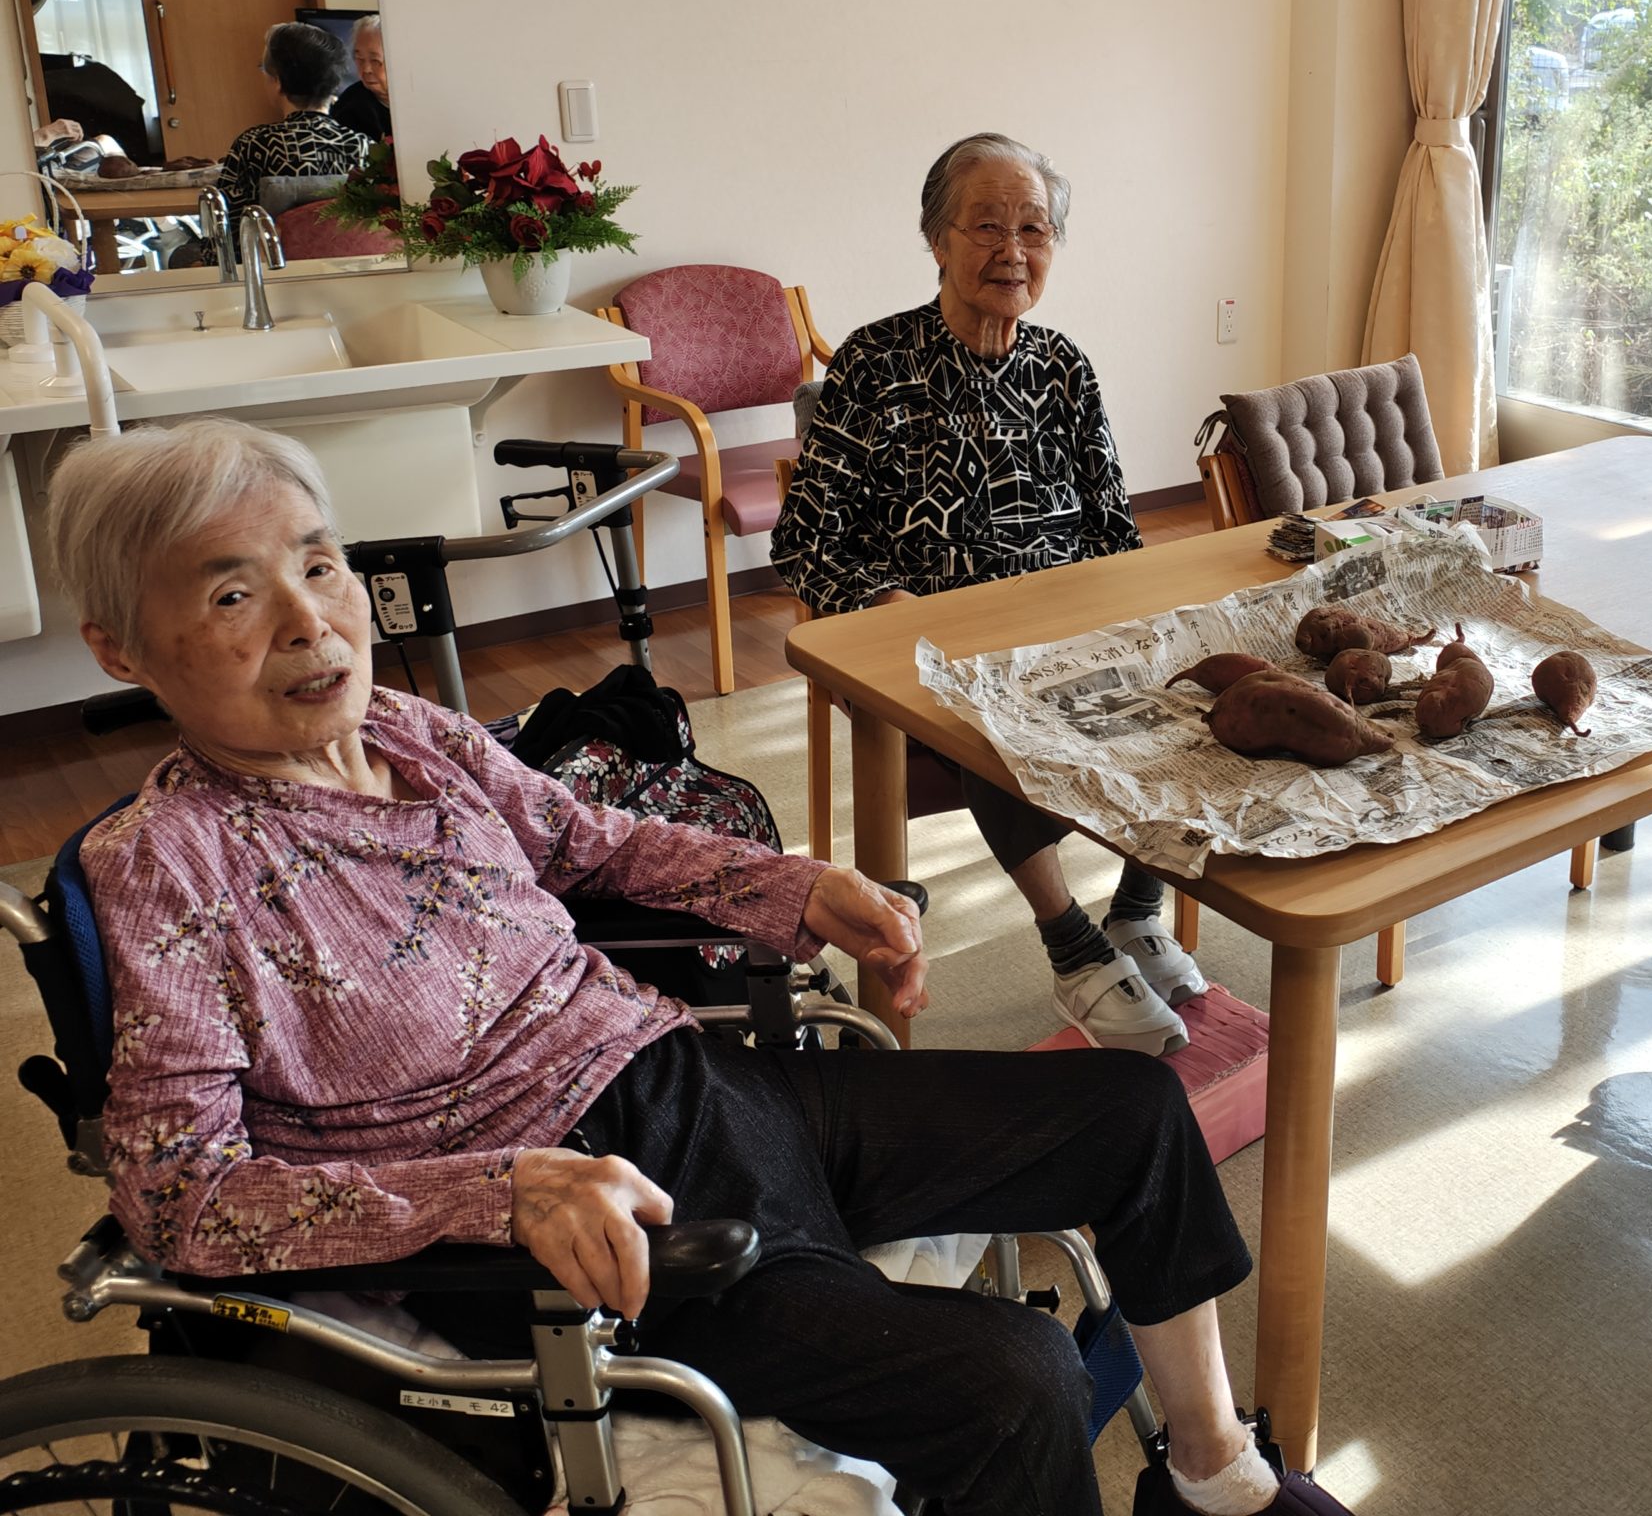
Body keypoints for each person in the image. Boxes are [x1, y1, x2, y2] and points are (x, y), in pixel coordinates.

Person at [52, 418, 1345, 1516]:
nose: (308, 621)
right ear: (120, 648)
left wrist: (800, 887)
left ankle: (1212, 1478)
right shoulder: (168, 863)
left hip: (699, 1088)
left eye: (320, 564)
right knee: (1011, 1382)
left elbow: (593, 841)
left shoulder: (408, 731)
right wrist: (497, 1193)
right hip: (596, 1229)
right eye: (231, 595)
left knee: (1134, 1111)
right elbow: (180, 1199)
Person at [773, 132, 1206, 1057]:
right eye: (986, 226)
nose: (1013, 250)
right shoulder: (873, 365)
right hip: (925, 649)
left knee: (1199, 676)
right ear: (937, 238)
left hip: (1066, 632)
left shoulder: (1063, 367)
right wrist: (886, 603)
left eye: (1034, 229)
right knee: (983, 694)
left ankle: (1136, 910)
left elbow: (1113, 531)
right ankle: (1073, 949)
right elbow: (803, 542)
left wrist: (1140, 622)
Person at [214, 21, 370, 224]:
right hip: (349, 245)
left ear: (278, 81)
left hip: (274, 245)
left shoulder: (253, 145)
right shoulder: (361, 145)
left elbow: (227, 225)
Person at [331, 14, 394, 142]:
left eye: (375, 60)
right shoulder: (349, 107)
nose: (366, 69)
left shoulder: (423, 97)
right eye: (359, 59)